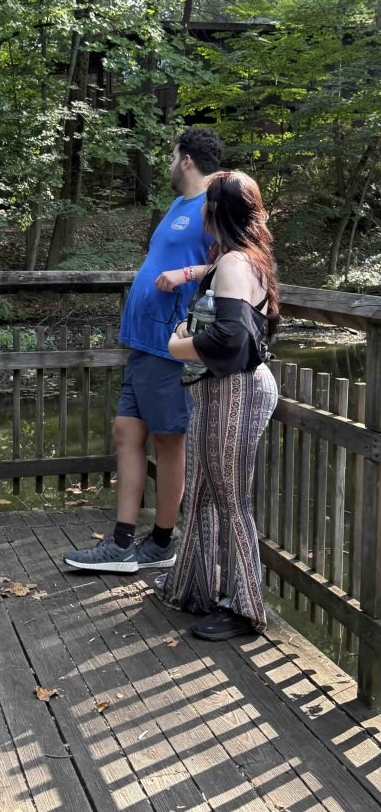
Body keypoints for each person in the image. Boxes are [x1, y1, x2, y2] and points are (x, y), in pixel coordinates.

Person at [64, 127, 223, 573]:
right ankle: (120, 543)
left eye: (172, 155)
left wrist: (186, 273)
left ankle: (161, 542)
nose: (169, 163)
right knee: (125, 433)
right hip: (144, 342)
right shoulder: (177, 205)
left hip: (171, 344)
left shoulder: (213, 205)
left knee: (169, 441)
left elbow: (238, 260)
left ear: (187, 159)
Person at [154, 170, 279, 639]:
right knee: (203, 493)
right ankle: (196, 587)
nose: (201, 211)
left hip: (236, 391)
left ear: (216, 212)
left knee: (231, 500)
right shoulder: (238, 259)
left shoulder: (234, 264)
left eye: (206, 204)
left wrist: (177, 346)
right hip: (221, 390)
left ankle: (244, 610)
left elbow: (232, 339)